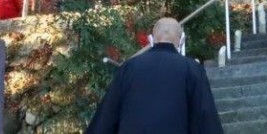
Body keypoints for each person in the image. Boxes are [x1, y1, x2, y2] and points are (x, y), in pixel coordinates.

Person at [85, 17, 224, 134]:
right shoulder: (192, 69)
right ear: (182, 40)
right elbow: (205, 117)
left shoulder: (130, 67)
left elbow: (108, 114)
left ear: (151, 39)